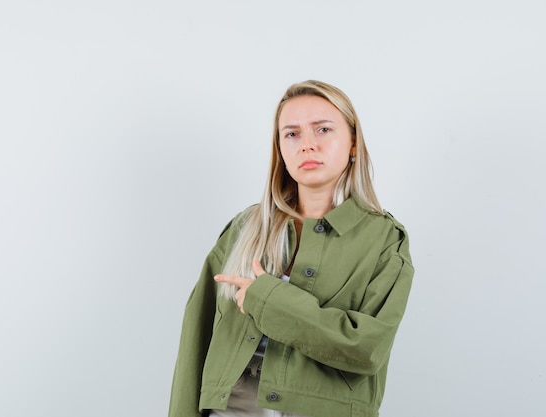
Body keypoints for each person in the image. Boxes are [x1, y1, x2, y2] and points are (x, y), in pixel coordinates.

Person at [168, 80, 414, 417]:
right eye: (292, 134)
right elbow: (195, 340)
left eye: (323, 129)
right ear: (280, 149)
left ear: (353, 142)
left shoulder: (385, 239)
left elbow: (366, 349)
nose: (307, 145)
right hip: (233, 406)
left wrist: (267, 299)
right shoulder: (244, 229)